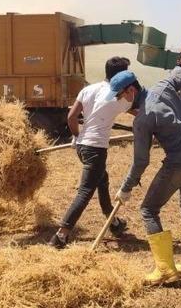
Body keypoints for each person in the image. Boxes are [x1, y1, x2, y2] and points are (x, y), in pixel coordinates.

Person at [110, 69, 181, 286]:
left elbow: (141, 161)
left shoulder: (143, 119)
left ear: (131, 90)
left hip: (180, 162)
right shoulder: (163, 86)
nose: (120, 101)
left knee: (148, 210)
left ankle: (165, 271)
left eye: (120, 96)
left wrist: (126, 187)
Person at [47, 56, 132, 249]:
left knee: (102, 180)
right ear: (121, 76)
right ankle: (61, 235)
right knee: (85, 192)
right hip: (96, 149)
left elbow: (71, 117)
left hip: (83, 147)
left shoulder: (88, 89)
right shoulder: (118, 98)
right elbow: (139, 111)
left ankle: (114, 223)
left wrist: (77, 137)